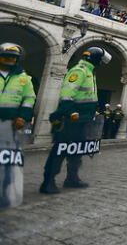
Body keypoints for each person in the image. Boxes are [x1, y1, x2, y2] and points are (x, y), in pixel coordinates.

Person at [40, 47, 112, 194]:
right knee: (60, 149)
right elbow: (67, 94)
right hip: (71, 119)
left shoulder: (90, 71)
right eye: (100, 61)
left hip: (83, 119)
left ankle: (72, 178)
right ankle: (48, 181)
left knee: (77, 149)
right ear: (96, 60)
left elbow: (85, 97)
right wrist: (70, 111)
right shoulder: (80, 71)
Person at [0, 43, 36, 208]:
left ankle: (5, 193)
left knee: (8, 159)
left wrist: (23, 116)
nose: (10, 59)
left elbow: (29, 98)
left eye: (13, 57)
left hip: (11, 124)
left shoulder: (24, 78)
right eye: (6, 56)